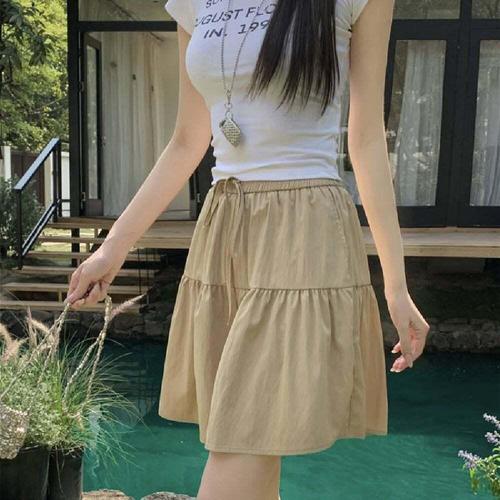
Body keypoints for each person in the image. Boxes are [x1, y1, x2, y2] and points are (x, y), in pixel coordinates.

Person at [65, 0, 430, 498]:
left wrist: (395, 285)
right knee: (254, 436)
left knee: (242, 433)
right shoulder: (193, 2)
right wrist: (113, 248)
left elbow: (365, 141)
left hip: (304, 229)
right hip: (224, 224)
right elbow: (187, 140)